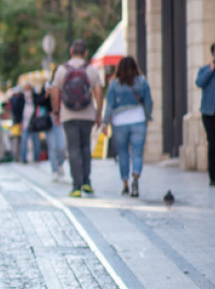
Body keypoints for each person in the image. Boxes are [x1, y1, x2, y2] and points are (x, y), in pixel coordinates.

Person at [51, 40, 104, 198]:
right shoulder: (91, 70)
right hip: (87, 115)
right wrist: (98, 113)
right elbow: (99, 94)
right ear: (86, 53)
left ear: (71, 51)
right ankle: (87, 181)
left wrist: (56, 112)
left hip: (68, 115)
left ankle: (76, 186)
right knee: (85, 148)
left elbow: (55, 92)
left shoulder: (62, 70)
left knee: (73, 149)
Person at [104, 56, 153, 197]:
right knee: (137, 152)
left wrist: (105, 122)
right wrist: (147, 116)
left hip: (119, 123)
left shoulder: (114, 84)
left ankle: (125, 182)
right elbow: (148, 102)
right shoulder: (142, 81)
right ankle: (136, 177)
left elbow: (109, 105)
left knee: (123, 153)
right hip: (138, 119)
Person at [196, 42, 215, 187]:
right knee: (213, 144)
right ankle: (214, 177)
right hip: (209, 112)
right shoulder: (205, 69)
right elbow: (199, 83)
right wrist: (211, 68)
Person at [42, 78, 67, 181]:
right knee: (52, 147)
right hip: (49, 122)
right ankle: (54, 170)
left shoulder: (61, 91)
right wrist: (46, 95)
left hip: (61, 119)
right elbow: (39, 102)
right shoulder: (46, 91)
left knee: (62, 146)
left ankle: (60, 164)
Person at [19, 82, 42, 163]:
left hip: (34, 123)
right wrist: (19, 121)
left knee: (36, 140)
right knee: (24, 141)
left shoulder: (35, 98)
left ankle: (37, 157)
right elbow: (17, 110)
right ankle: (23, 158)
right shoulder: (21, 99)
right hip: (25, 123)